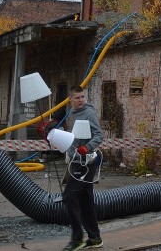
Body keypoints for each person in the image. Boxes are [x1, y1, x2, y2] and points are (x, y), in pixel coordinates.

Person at [61, 85, 104, 251]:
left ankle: (77, 239)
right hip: (77, 161)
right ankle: (95, 239)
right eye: (77, 97)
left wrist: (88, 147)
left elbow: (99, 135)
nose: (80, 100)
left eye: (82, 97)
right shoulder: (72, 114)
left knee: (69, 197)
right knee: (85, 200)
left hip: (86, 162)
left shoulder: (88, 113)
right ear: (70, 99)